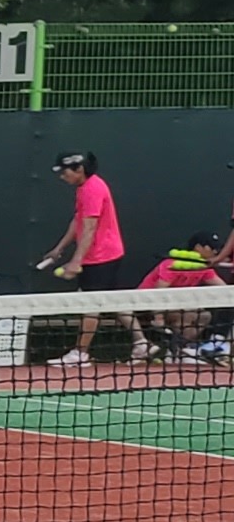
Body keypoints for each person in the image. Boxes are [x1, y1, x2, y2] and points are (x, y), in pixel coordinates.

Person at [37, 152, 132, 365]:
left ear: (79, 169)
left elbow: (89, 229)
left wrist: (76, 261)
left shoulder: (92, 189)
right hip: (107, 254)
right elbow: (78, 221)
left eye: (65, 172)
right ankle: (142, 343)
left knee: (90, 304)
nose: (62, 177)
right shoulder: (84, 188)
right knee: (115, 300)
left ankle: (81, 354)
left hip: (100, 257)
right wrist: (59, 248)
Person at [135, 230, 226, 362]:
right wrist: (158, 317)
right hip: (146, 305)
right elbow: (158, 291)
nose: (215, 252)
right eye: (211, 248)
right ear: (198, 247)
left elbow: (224, 289)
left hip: (174, 307)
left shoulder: (204, 267)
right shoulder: (173, 264)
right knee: (187, 316)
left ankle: (178, 348)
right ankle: (174, 352)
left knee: (205, 316)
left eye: (217, 249)